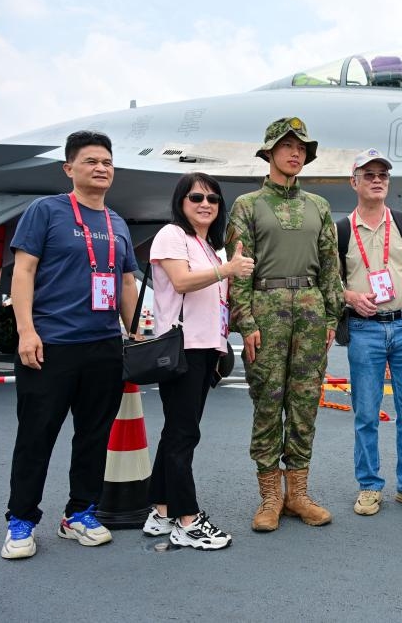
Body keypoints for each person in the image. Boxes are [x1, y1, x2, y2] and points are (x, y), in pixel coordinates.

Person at [2, 131, 140, 560]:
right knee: (36, 436)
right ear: (70, 168)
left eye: (107, 162)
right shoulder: (46, 211)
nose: (101, 168)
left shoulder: (117, 222)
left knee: (94, 436)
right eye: (91, 161)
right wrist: (26, 330)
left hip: (102, 347)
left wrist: (132, 333)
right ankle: (20, 520)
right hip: (52, 344)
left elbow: (126, 281)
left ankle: (79, 512)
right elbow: (23, 272)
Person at [225, 117, 343, 532]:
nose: (295, 153)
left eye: (301, 148)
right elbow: (240, 271)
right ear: (270, 152)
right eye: (287, 146)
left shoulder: (319, 207)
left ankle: (298, 494)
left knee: (306, 403)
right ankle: (270, 498)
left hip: (311, 309)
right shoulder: (248, 205)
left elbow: (331, 266)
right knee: (267, 403)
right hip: (266, 308)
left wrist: (331, 315)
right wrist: (246, 321)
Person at [141, 173, 255, 550]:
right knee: (183, 434)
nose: (206, 203)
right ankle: (187, 520)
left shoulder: (209, 246)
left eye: (213, 198)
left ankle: (161, 511)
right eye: (196, 197)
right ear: (181, 202)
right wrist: (227, 270)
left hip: (205, 348)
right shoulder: (172, 236)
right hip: (183, 349)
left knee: (177, 430)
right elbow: (181, 281)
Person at [340, 148, 402, 516]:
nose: (377, 180)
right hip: (365, 329)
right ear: (354, 182)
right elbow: (330, 283)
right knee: (366, 412)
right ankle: (369, 485)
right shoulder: (341, 229)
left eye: (383, 174)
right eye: (368, 175)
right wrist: (350, 296)